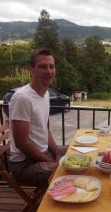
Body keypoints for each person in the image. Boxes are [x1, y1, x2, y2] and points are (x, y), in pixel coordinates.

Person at [9, 48, 67, 186]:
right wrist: (51, 162)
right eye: (42, 67)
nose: (48, 71)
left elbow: (44, 129)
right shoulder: (22, 98)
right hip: (25, 164)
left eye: (51, 66)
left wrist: (57, 153)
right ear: (31, 69)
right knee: (69, 171)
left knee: (79, 152)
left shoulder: (45, 94)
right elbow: (22, 143)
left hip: (43, 153)